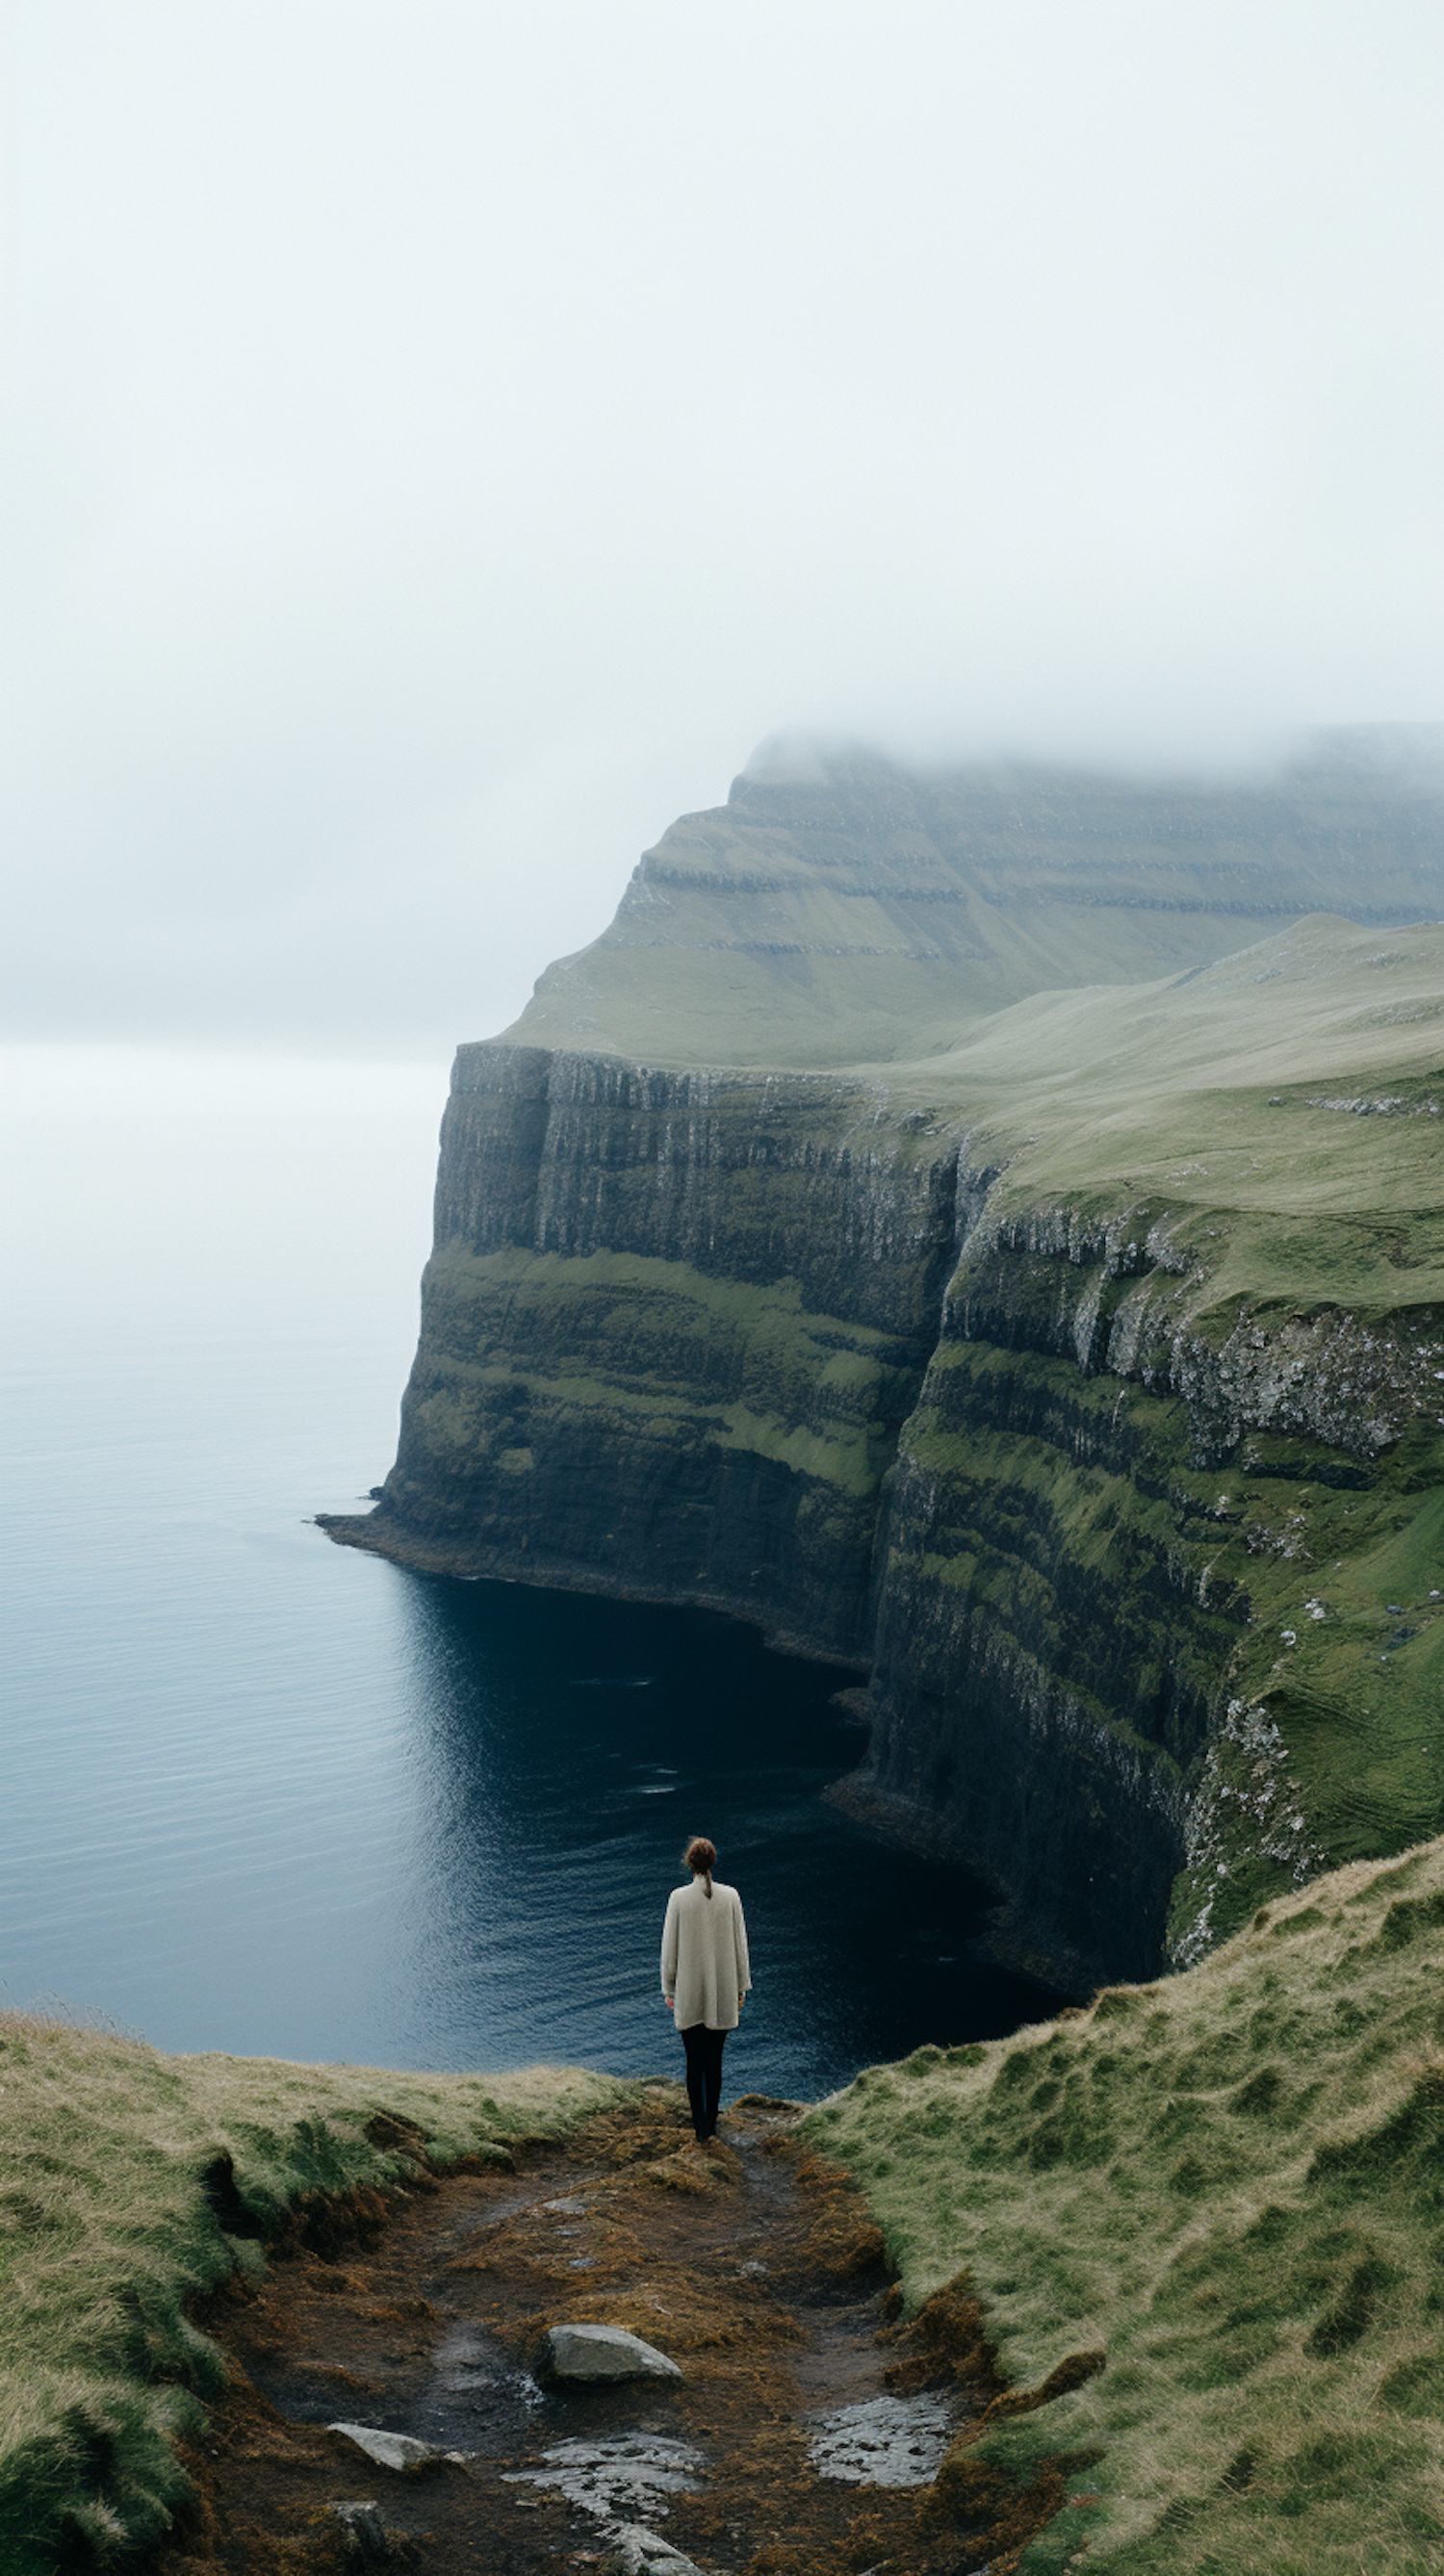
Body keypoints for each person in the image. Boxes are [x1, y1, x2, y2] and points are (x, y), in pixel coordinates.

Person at [660, 1835, 751, 2142]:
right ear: (713, 1862)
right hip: (722, 1990)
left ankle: (699, 2128)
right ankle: (712, 2125)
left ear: (689, 1862)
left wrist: (669, 1989)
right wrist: (741, 1986)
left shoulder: (678, 1898)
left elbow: (669, 1951)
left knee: (693, 2061)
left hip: (688, 1992)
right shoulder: (732, 1896)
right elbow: (741, 1947)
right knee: (715, 2061)